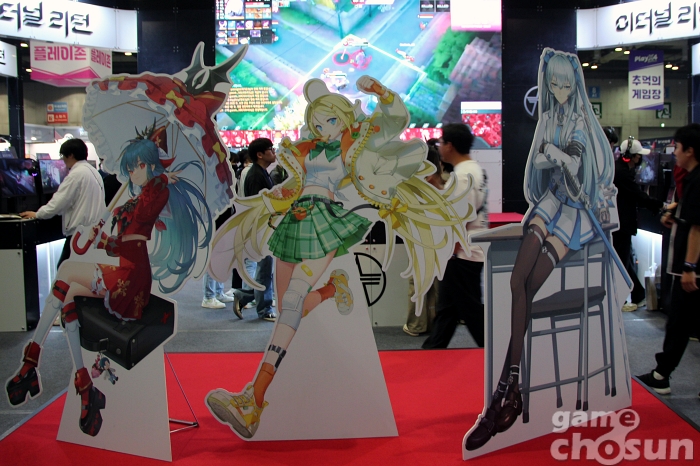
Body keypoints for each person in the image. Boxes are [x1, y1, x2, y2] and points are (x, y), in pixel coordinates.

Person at [206, 76, 468, 439]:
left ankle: (253, 398)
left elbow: (392, 120)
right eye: (317, 122)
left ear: (343, 118)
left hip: (325, 222)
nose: (323, 128)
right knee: (287, 309)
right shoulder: (305, 149)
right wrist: (271, 200)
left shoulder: (357, 142)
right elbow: (292, 185)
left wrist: (382, 94)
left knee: (292, 302)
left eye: (330, 120)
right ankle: (331, 290)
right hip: (294, 221)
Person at [6, 137, 212, 437]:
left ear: (147, 165)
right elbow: (122, 240)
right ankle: (82, 383)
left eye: (136, 166)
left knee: (66, 272)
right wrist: (101, 238)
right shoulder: (139, 193)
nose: (131, 172)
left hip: (132, 276)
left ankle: (32, 362)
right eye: (130, 167)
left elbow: (141, 223)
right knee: (68, 294)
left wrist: (161, 177)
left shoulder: (156, 192)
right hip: (124, 265)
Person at [465, 49, 617, 451]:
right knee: (518, 282)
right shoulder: (549, 118)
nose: (560, 90)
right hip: (549, 202)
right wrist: (552, 156)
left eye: (566, 84)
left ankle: (505, 392)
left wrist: (556, 155)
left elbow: (574, 164)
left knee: (527, 287)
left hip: (574, 212)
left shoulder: (580, 121)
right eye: (554, 83)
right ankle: (509, 388)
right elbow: (541, 163)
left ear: (575, 84)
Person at [637, 123, 700, 395]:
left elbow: (697, 228)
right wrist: (673, 214)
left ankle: (662, 374)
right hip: (688, 264)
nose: (674, 152)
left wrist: (689, 267)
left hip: (690, 267)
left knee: (679, 322)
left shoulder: (696, 180)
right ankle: (662, 373)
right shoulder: (691, 178)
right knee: (680, 322)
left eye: (678, 147)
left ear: (690, 150)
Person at [421, 124, 488, 347]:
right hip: (465, 250)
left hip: (462, 252)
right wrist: (439, 187)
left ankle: (496, 349)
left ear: (450, 145)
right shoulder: (472, 170)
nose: (439, 147)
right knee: (448, 309)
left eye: (441, 142)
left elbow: (462, 215)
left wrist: (452, 248)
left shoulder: (463, 175)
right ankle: (433, 349)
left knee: (471, 310)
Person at [20, 139, 105, 267]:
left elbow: (59, 201)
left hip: (79, 234)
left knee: (64, 269)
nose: (62, 160)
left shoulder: (76, 174)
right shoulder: (93, 172)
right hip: (92, 231)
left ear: (70, 155)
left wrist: (38, 214)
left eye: (62, 155)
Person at [613, 137, 663, 312]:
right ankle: (620, 300)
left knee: (624, 260)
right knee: (622, 261)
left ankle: (638, 294)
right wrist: (659, 205)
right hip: (621, 224)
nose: (640, 158)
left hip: (621, 223)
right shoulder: (622, 173)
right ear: (631, 156)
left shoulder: (620, 170)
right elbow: (637, 195)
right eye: (638, 155)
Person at [233, 138, 277, 321]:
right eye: (270, 149)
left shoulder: (262, 173)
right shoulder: (256, 175)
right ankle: (264, 308)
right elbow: (258, 205)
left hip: (265, 227)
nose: (274, 152)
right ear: (260, 154)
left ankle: (244, 296)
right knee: (264, 270)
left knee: (265, 270)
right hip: (261, 229)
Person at [403, 146, 444, 336]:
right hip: (440, 237)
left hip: (419, 235)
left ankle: (416, 325)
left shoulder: (415, 181)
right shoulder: (441, 181)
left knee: (418, 283)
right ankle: (435, 323)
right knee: (436, 284)